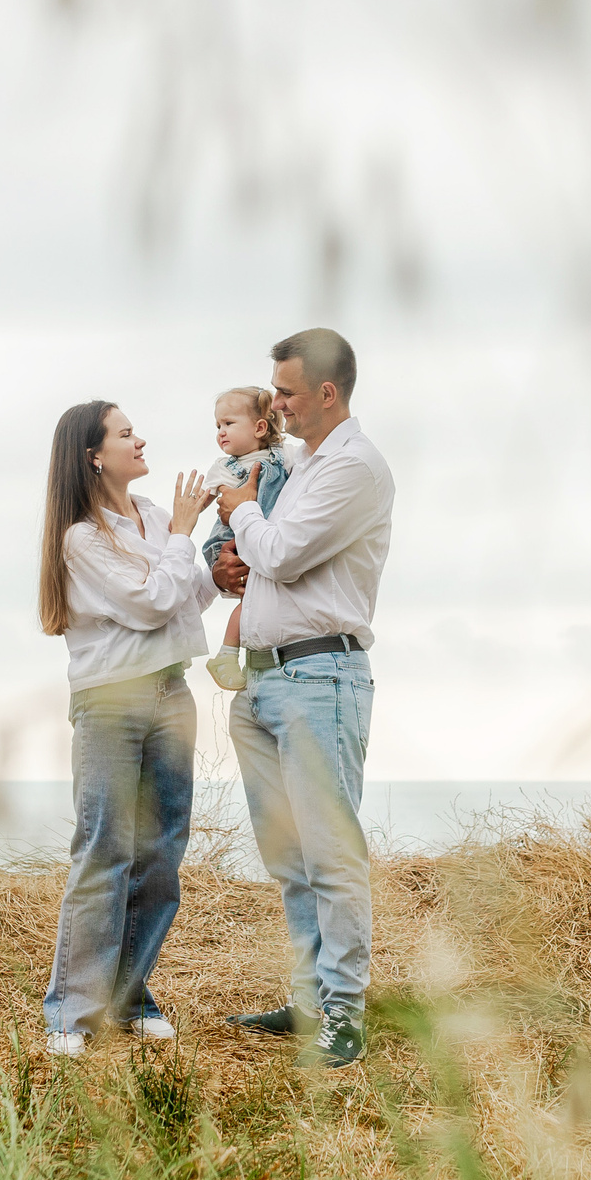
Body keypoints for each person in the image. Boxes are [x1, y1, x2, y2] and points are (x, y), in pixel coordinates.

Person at [210, 329, 395, 1069]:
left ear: (327, 392)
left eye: (285, 392)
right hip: (262, 680)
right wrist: (228, 560)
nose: (274, 404)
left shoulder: (355, 468)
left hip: (321, 677)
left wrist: (241, 510)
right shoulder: (299, 463)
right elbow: (259, 560)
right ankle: (309, 998)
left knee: (330, 851)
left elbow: (281, 553)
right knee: (289, 856)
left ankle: (343, 1012)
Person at [36, 399, 216, 1057]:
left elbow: (180, 600)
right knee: (105, 849)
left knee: (161, 853)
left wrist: (212, 576)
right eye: (125, 432)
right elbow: (148, 603)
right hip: (111, 702)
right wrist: (185, 539)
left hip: (171, 690)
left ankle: (129, 994)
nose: (140, 438)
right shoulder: (81, 536)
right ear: (94, 455)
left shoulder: (156, 519)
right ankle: (71, 1010)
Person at [199, 386, 294, 693]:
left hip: (262, 540)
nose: (220, 432)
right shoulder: (225, 468)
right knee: (251, 597)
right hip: (230, 543)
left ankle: (229, 654)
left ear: (260, 427)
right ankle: (227, 654)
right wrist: (180, 522)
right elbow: (201, 500)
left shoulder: (284, 456)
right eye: (218, 426)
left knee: (255, 600)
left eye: (228, 423)